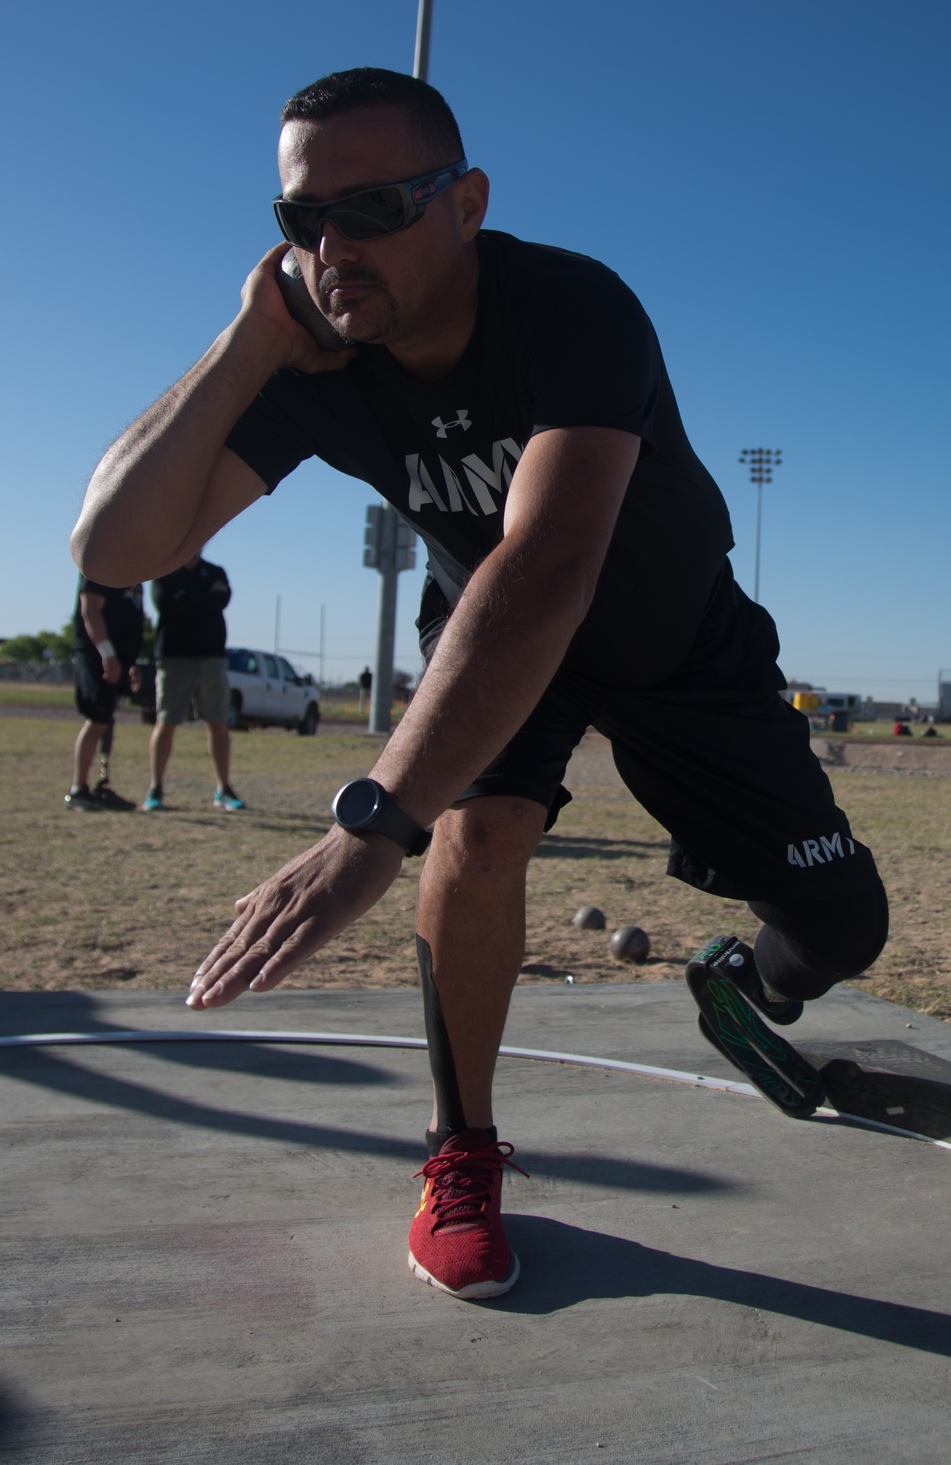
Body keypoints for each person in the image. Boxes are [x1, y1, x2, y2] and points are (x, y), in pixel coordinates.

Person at [71, 68, 888, 1300]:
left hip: (675, 641)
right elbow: (113, 551)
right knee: (481, 827)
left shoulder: (571, 305)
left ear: (465, 202)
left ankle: (739, 981)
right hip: (503, 638)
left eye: (375, 205)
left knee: (844, 927)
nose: (337, 247)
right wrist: (246, 343)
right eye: (304, 221)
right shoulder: (317, 364)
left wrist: (371, 822)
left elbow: (554, 559)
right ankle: (461, 1150)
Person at [143, 552, 246, 812]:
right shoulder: (163, 570)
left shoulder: (216, 572)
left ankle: (223, 789)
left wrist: (186, 596)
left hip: (212, 657)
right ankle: (155, 789)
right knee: (165, 722)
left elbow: (221, 601)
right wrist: (204, 597)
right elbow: (165, 604)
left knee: (218, 723)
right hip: (174, 658)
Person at [67, 575, 143, 810]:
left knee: (107, 718)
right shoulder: (101, 563)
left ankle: (102, 785)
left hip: (119, 657)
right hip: (98, 656)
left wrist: (131, 661)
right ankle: (78, 789)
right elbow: (90, 610)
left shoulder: (137, 569)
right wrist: (108, 654)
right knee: (97, 718)